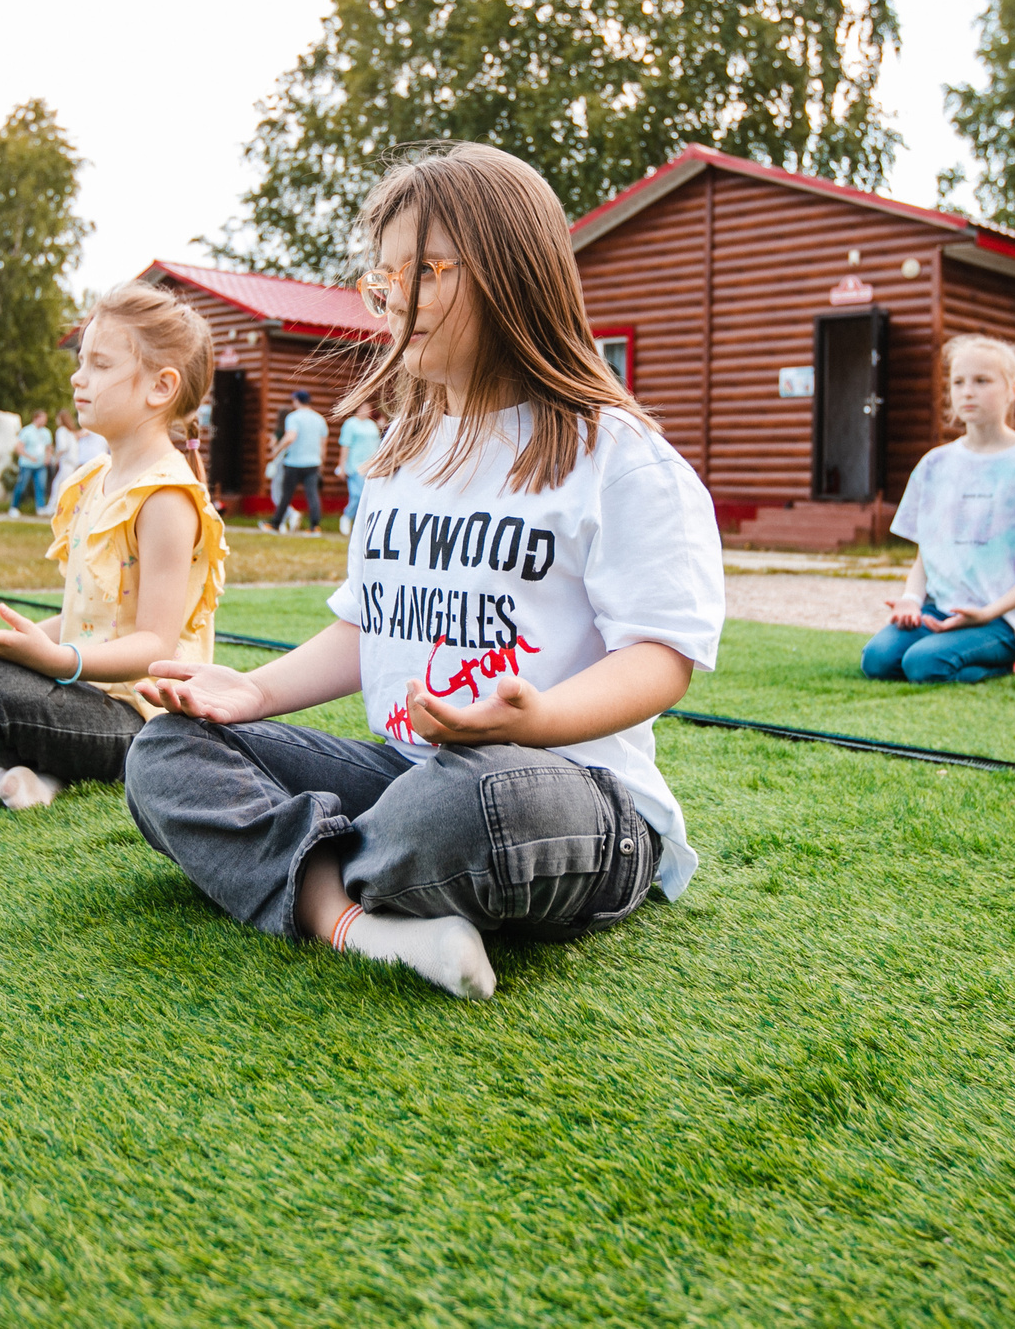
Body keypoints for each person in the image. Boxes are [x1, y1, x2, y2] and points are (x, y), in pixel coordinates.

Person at [127, 142, 723, 1002]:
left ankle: (312, 867)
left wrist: (543, 716)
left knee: (455, 809)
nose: (396, 302)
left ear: (516, 275)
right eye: (384, 280)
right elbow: (366, 623)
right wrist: (251, 695)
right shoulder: (405, 454)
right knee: (166, 751)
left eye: (426, 272)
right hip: (408, 772)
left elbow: (662, 655)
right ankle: (357, 924)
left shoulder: (617, 456)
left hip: (567, 795)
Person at [0, 284, 229, 808]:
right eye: (82, 361)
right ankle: (1, 777)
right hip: (74, 690)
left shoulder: (166, 499)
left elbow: (154, 646)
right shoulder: (96, 480)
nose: (77, 377)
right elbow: (85, 620)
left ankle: (26, 762)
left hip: (136, 716)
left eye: (100, 365)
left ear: (161, 387)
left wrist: (59, 662)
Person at [864, 335, 1015, 684]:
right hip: (937, 611)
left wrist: (987, 613)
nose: (967, 391)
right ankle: (944, 645)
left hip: (1002, 620)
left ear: (1013, 389)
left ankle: (1010, 662)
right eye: (958, 382)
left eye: (982, 381)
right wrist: (911, 599)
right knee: (878, 661)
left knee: (924, 666)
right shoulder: (935, 464)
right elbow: (927, 552)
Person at [268, 388, 328, 534]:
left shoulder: (293, 417)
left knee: (286, 494)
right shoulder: (319, 419)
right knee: (312, 495)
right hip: (313, 462)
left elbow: (290, 437)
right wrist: (322, 462)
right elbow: (323, 445)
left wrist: (276, 451)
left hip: (294, 462)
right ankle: (314, 526)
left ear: (296, 401)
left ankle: (276, 524)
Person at [337, 404, 381, 536]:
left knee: (367, 495)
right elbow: (345, 445)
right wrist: (342, 465)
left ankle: (361, 524)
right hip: (355, 465)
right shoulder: (350, 424)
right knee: (358, 494)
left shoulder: (372, 425)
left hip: (370, 465)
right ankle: (346, 516)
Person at [10, 409, 54, 517]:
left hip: (40, 465)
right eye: (43, 419)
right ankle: (14, 507)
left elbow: (49, 447)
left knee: (40, 486)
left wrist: (47, 458)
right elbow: (18, 447)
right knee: (22, 486)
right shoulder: (27, 431)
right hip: (27, 464)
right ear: (36, 418)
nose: (44, 421)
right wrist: (29, 456)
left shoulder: (46, 432)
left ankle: (40, 507)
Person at [53, 409, 106, 499]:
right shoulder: (101, 428)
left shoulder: (90, 427)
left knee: (75, 483)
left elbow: (80, 435)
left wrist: (70, 433)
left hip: (88, 459)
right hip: (92, 458)